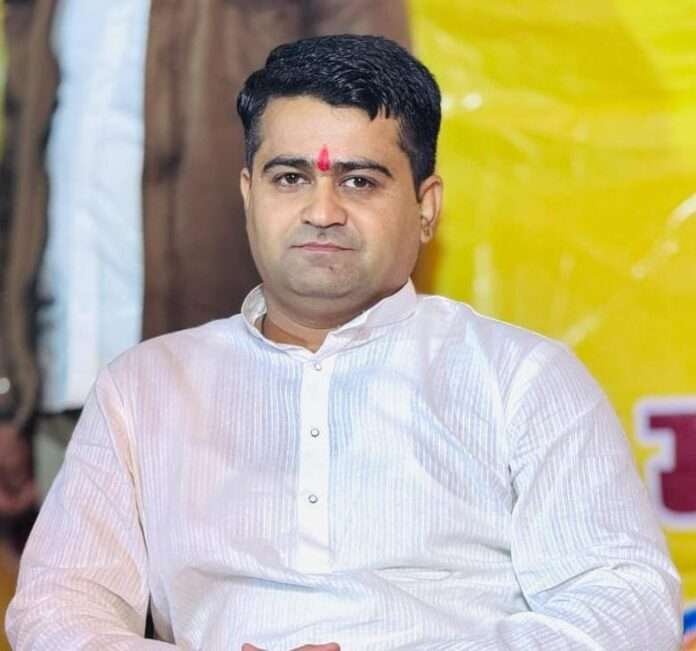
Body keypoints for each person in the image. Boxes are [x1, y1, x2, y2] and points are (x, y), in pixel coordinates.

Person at [6, 34, 681, 650]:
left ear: (426, 206)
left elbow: (628, 600)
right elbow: (58, 607)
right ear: (248, 193)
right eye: (290, 177)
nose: (323, 211)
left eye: (359, 180)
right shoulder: (145, 387)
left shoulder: (520, 378)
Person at [0, 0, 409, 522]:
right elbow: (19, 180)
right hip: (64, 399)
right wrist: (9, 389)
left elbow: (379, 143)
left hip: (255, 400)